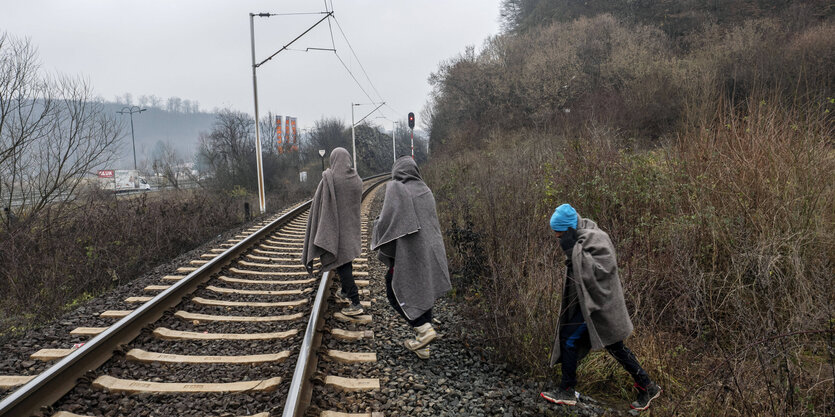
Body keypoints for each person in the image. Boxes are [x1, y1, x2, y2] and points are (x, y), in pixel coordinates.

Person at [540, 204, 662, 411]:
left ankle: (567, 390)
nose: (557, 240)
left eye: (559, 235)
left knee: (569, 339)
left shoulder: (596, 238)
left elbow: (601, 271)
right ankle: (648, 386)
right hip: (590, 304)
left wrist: (572, 251)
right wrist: (573, 251)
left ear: (568, 229)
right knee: (615, 346)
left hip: (601, 306)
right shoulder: (578, 236)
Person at [371, 156, 451, 359]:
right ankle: (423, 346)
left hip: (410, 252)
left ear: (397, 172)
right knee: (424, 290)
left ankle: (423, 329)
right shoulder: (425, 189)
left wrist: (376, 227)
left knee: (393, 288)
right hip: (431, 251)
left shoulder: (397, 189)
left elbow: (387, 223)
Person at [303, 147, 364, 316]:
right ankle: (345, 292)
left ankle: (355, 302)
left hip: (337, 231)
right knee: (346, 262)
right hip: (351, 229)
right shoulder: (357, 180)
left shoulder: (330, 179)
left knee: (343, 266)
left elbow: (321, 205)